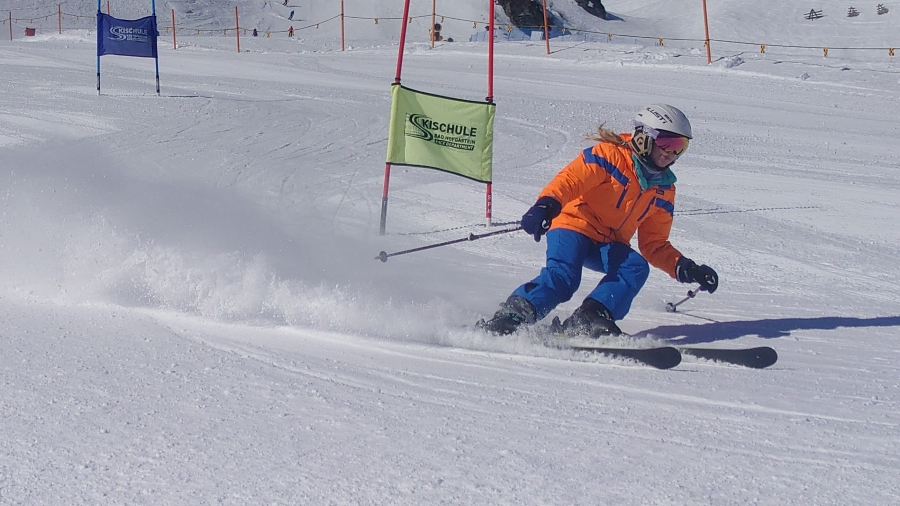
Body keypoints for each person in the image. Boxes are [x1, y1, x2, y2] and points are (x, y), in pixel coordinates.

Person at [480, 104, 719, 337]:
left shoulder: (663, 188)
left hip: (607, 241)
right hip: (573, 225)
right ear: (644, 138)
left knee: (634, 267)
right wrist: (546, 205)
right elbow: (571, 180)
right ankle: (512, 316)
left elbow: (654, 244)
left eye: (680, 146)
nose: (671, 152)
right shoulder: (610, 156)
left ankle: (589, 318)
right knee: (564, 277)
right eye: (667, 143)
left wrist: (688, 269)